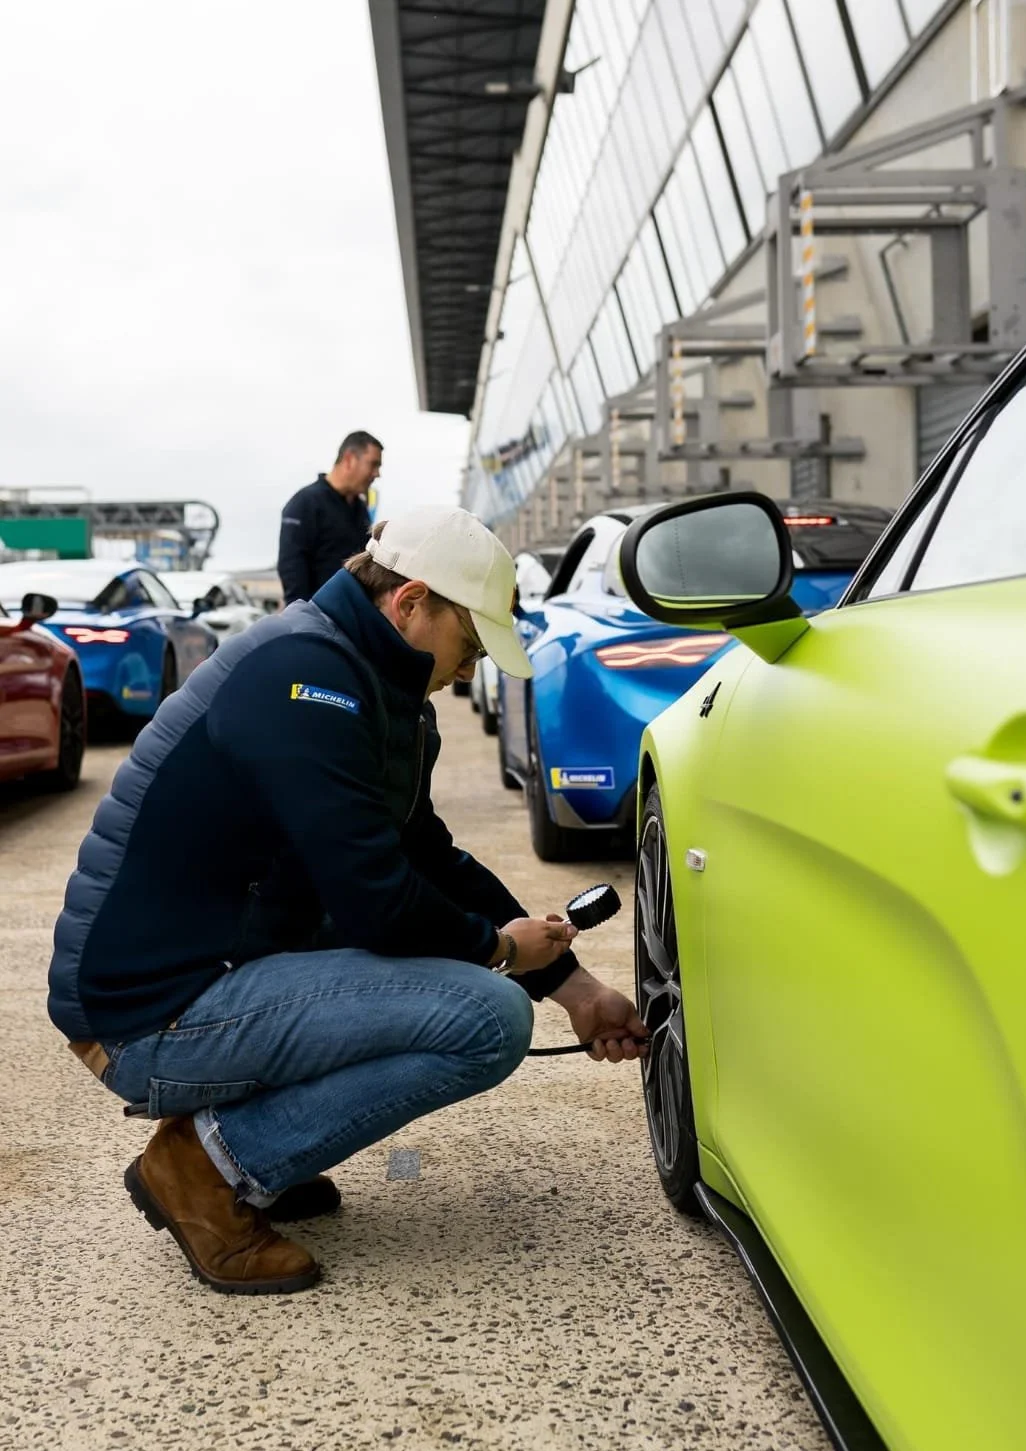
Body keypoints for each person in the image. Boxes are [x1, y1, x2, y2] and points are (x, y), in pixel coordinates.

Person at [49, 506, 648, 1296]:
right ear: (410, 603)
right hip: (146, 1016)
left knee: (445, 971)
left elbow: (426, 856)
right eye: (468, 645)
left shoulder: (363, 680)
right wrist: (501, 952)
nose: (468, 672)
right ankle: (203, 1166)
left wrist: (574, 987)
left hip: (204, 975)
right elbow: (378, 901)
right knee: (483, 1017)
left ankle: (252, 1151)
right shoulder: (305, 681)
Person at [277, 430, 383, 604]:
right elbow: (292, 569)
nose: (377, 474)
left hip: (352, 617)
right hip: (316, 618)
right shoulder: (305, 503)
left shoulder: (359, 509)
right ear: (349, 459)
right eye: (373, 464)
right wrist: (303, 620)